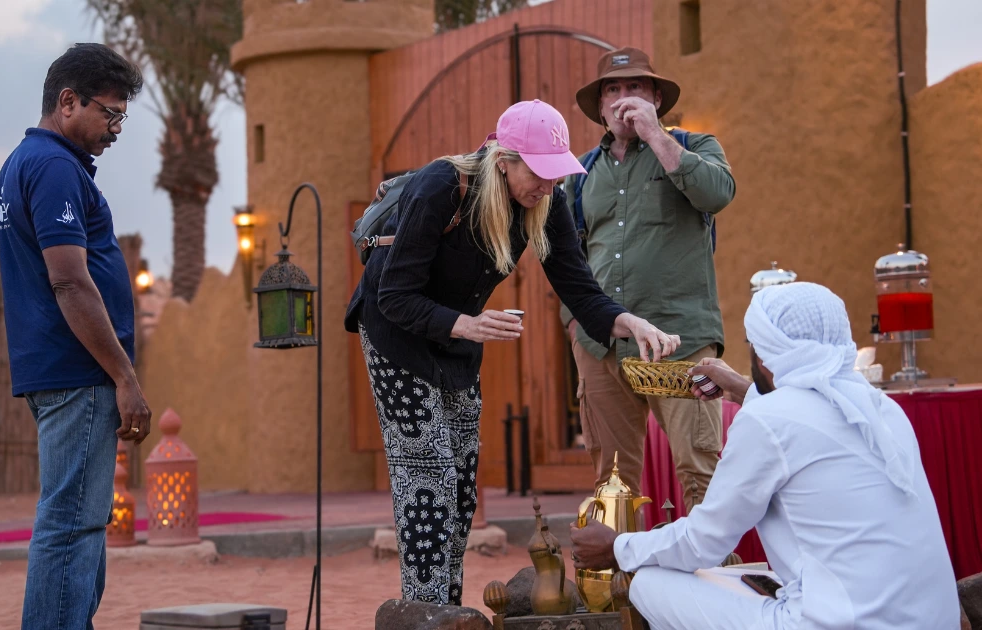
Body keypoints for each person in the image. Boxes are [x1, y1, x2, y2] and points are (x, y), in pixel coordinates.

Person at [345, 99, 681, 605]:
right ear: (504, 161)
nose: (547, 184)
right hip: (397, 337)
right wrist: (465, 324)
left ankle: (446, 606)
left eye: (555, 173)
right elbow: (393, 294)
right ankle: (425, 612)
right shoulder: (442, 185)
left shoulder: (546, 203)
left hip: (459, 340)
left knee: (460, 483)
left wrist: (626, 320)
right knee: (427, 474)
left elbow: (578, 288)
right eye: (538, 172)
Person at [569, 282, 960, 629]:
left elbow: (703, 543)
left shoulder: (768, 420)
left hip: (843, 621)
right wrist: (741, 388)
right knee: (736, 580)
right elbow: (803, 410)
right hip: (933, 617)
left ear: (764, 355)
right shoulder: (880, 407)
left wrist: (617, 547)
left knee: (650, 582)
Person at [0, 43, 151, 630]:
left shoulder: (24, 163)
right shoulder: (55, 167)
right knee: (69, 526)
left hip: (60, 373)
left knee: (76, 523)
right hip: (77, 373)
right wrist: (123, 377)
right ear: (68, 102)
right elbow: (70, 283)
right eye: (110, 114)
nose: (115, 129)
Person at [560, 46, 736, 510]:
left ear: (656, 96)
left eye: (635, 87)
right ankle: (623, 583)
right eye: (612, 90)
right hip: (602, 345)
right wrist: (576, 323)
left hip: (679, 339)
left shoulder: (696, 147)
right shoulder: (580, 174)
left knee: (701, 468)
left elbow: (717, 194)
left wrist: (656, 135)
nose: (623, 98)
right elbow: (565, 257)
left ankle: (707, 579)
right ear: (599, 107)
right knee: (612, 484)